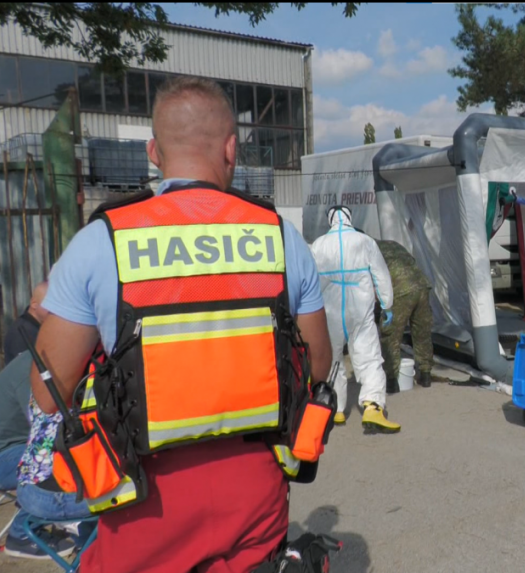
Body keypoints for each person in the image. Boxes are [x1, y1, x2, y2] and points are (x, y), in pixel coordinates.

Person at [29, 76, 331, 573]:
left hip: (141, 507)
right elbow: (318, 365)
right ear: (231, 149)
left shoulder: (102, 239)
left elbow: (48, 393)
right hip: (256, 500)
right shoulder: (280, 236)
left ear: (153, 151)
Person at [0, 351, 87, 559]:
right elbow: (47, 429)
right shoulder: (33, 370)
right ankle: (21, 536)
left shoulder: (46, 361)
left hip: (11, 449)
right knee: (56, 461)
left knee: (57, 459)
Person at [311, 206, 400, 433]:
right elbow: (380, 273)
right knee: (369, 358)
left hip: (329, 312)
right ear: (350, 218)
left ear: (330, 220)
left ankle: (336, 409)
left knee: (332, 359)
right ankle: (372, 407)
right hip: (359, 311)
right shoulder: (365, 242)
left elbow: (308, 280)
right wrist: (387, 304)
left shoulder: (318, 245)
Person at [374, 239, 435, 392]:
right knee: (422, 333)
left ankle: (392, 381)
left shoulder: (368, 249)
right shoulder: (393, 244)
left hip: (401, 290)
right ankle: (425, 374)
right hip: (421, 285)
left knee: (391, 335)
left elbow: (372, 280)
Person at [2, 281, 49, 365]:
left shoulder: (39, 326)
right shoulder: (21, 333)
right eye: (51, 304)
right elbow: (24, 370)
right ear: (34, 304)